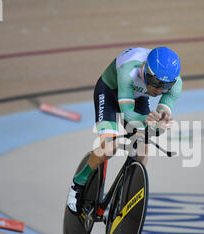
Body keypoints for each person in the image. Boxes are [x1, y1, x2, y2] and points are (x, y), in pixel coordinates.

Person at [66, 46, 182, 215]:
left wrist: (158, 125)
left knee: (143, 147)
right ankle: (77, 184)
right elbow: (127, 112)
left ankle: (130, 193)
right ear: (145, 71)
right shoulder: (129, 69)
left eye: (165, 86)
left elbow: (159, 123)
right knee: (110, 147)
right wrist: (147, 121)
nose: (159, 90)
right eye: (156, 83)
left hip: (138, 97)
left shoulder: (175, 84)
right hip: (110, 92)